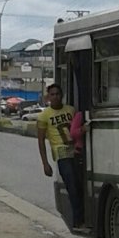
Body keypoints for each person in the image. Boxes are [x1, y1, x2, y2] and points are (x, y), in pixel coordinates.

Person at [37, 84, 84, 229]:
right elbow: (41, 141)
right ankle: (78, 220)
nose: (55, 97)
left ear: (62, 95)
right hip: (61, 152)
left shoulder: (70, 110)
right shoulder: (44, 116)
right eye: (52, 94)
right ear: (48, 97)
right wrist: (45, 163)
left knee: (80, 183)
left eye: (57, 94)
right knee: (71, 184)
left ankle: (83, 216)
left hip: (75, 149)